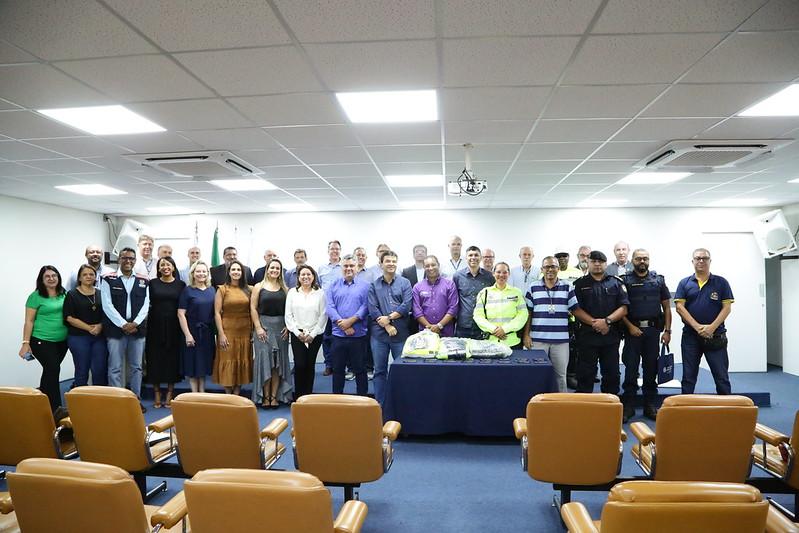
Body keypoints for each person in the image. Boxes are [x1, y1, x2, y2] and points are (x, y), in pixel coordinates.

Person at [620, 249, 672, 422]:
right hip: (632, 332)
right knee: (631, 370)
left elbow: (666, 307)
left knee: (651, 369)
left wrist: (668, 331)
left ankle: (650, 404)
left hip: (652, 332)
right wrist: (629, 327)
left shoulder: (658, 280)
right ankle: (628, 406)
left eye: (645, 258)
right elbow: (621, 308)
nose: (642, 261)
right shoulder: (625, 281)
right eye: (638, 258)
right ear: (632, 260)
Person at [674, 248, 734, 395]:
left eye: (705, 258)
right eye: (698, 258)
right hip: (690, 337)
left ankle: (727, 411)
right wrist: (697, 327)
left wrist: (711, 328)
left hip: (715, 336)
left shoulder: (721, 282)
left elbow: (727, 308)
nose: (701, 261)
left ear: (710, 261)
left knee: (721, 377)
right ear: (692, 261)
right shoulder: (684, 283)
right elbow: (680, 308)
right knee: (688, 377)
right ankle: (685, 411)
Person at [571, 251, 629, 395]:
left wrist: (607, 322)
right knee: (585, 376)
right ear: (588, 263)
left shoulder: (616, 282)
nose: (597, 264)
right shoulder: (579, 284)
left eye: (601, 262)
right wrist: (596, 323)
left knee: (612, 375)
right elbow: (575, 309)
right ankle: (584, 412)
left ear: (605, 263)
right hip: (587, 337)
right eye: (594, 261)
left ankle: (611, 410)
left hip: (610, 336)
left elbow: (624, 308)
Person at [100, 247, 149, 411]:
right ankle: (117, 401)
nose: (128, 261)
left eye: (131, 258)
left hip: (137, 330)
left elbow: (146, 305)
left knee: (137, 367)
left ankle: (135, 399)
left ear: (135, 260)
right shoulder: (107, 279)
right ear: (119, 259)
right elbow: (107, 305)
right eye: (125, 257)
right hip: (115, 330)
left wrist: (134, 323)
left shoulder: (144, 280)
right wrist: (123, 324)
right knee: (115, 367)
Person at [522, 256, 578, 392]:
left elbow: (575, 310)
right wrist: (526, 335)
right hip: (537, 340)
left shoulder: (567, 287)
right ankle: (537, 406)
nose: (550, 269)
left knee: (560, 377)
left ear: (558, 269)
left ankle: (561, 408)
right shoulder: (533, 287)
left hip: (561, 341)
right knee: (536, 375)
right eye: (547, 267)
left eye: (553, 266)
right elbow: (528, 313)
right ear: (542, 269)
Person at [20, 265, 69, 412]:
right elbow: (29, 321)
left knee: (50, 371)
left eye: (54, 275)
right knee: (53, 369)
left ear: (58, 277)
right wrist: (25, 343)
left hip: (62, 341)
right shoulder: (35, 297)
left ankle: (42, 400)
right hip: (41, 340)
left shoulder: (63, 293)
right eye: (47, 276)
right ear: (42, 280)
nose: (51, 278)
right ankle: (56, 408)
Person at [368, 250, 413, 405]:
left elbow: (406, 305)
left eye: (394, 261)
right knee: (379, 371)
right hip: (379, 335)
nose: (391, 264)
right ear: (381, 264)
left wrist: (388, 318)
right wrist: (387, 325)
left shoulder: (405, 283)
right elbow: (373, 308)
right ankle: (380, 404)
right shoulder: (374, 285)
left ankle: (402, 402)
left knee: (402, 371)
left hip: (400, 334)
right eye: (388, 261)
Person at [251, 258, 293, 409]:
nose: (274, 270)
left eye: (277, 268)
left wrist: (288, 327)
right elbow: (253, 308)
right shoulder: (258, 286)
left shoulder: (285, 289)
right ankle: (264, 395)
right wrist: (258, 327)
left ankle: (274, 396)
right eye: (272, 268)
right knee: (264, 363)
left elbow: (290, 311)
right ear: (267, 269)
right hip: (263, 329)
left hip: (280, 329)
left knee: (277, 364)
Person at [325, 254, 369, 396]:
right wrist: (343, 324)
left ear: (357, 267)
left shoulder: (366, 286)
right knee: (338, 370)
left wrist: (350, 321)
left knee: (360, 369)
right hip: (338, 336)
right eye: (346, 266)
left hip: (358, 336)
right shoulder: (333, 286)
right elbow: (330, 307)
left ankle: (363, 401)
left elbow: (366, 306)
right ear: (341, 267)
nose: (349, 268)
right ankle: (337, 400)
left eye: (351, 265)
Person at [145, 256, 185, 408]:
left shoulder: (181, 285)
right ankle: (156, 392)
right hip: (155, 326)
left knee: (171, 360)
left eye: (168, 264)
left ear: (173, 267)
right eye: (162, 265)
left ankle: (169, 392)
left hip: (174, 326)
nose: (165, 267)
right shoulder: (152, 283)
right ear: (158, 268)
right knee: (154, 358)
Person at [285, 265, 327, 399]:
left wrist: (313, 334)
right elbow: (288, 315)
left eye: (309, 274)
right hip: (298, 333)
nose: (306, 277)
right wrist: (298, 333)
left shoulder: (320, 293)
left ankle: (308, 397)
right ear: (298, 277)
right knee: (299, 364)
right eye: (303, 274)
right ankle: (299, 397)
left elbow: (323, 316)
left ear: (313, 276)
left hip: (315, 334)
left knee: (310, 365)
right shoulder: (292, 292)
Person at [63, 264, 108, 388]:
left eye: (91, 274)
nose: (88, 276)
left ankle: (101, 400)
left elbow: (108, 314)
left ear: (95, 277)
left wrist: (100, 326)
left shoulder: (101, 293)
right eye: (85, 274)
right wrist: (89, 328)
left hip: (99, 337)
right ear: (79, 278)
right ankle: (80, 402)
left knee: (99, 370)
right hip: (78, 337)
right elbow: (69, 317)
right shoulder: (72, 294)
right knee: (82, 370)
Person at [213, 260, 253, 395]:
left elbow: (253, 310)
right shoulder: (222, 289)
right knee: (228, 361)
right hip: (228, 330)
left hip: (245, 331)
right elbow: (217, 313)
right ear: (229, 273)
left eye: (239, 270)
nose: (236, 272)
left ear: (242, 273)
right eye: (233, 270)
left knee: (241, 361)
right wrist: (221, 334)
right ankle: (228, 395)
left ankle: (237, 395)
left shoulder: (249, 289)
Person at [177, 261, 215, 393]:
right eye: (198, 271)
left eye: (204, 271)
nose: (201, 274)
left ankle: (202, 394)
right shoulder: (187, 290)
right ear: (193, 274)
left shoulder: (212, 290)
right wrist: (187, 334)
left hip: (207, 333)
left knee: (203, 365)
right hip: (192, 331)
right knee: (193, 366)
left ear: (208, 273)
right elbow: (181, 314)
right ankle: (194, 395)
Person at [473, 262, 528, 347]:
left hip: (512, 342)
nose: (501, 275)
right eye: (498, 272)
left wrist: (505, 329)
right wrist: (494, 329)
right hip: (490, 343)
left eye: (505, 272)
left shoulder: (516, 292)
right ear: (493, 273)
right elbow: (478, 316)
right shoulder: (485, 293)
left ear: (509, 274)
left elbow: (523, 315)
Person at [453, 246, 495, 339]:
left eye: (476, 255)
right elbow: (454, 301)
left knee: (482, 353)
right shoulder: (457, 276)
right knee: (462, 353)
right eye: (470, 255)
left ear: (480, 258)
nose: (473, 258)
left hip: (483, 325)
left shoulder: (489, 277)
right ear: (466, 258)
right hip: (463, 325)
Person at [412, 255, 458, 337]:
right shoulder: (417, 287)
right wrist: (430, 327)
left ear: (438, 265)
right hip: (425, 333)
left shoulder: (450, 284)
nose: (430, 268)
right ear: (424, 267)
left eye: (433, 265)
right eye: (427, 266)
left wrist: (439, 326)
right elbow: (417, 311)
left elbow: (453, 308)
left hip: (446, 332)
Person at [319, 240, 343, 376]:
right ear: (328, 251)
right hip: (326, 310)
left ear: (340, 250)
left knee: (341, 339)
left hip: (342, 310)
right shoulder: (322, 268)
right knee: (327, 338)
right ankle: (329, 365)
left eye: (337, 249)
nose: (334, 251)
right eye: (332, 249)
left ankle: (341, 365)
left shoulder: (345, 266)